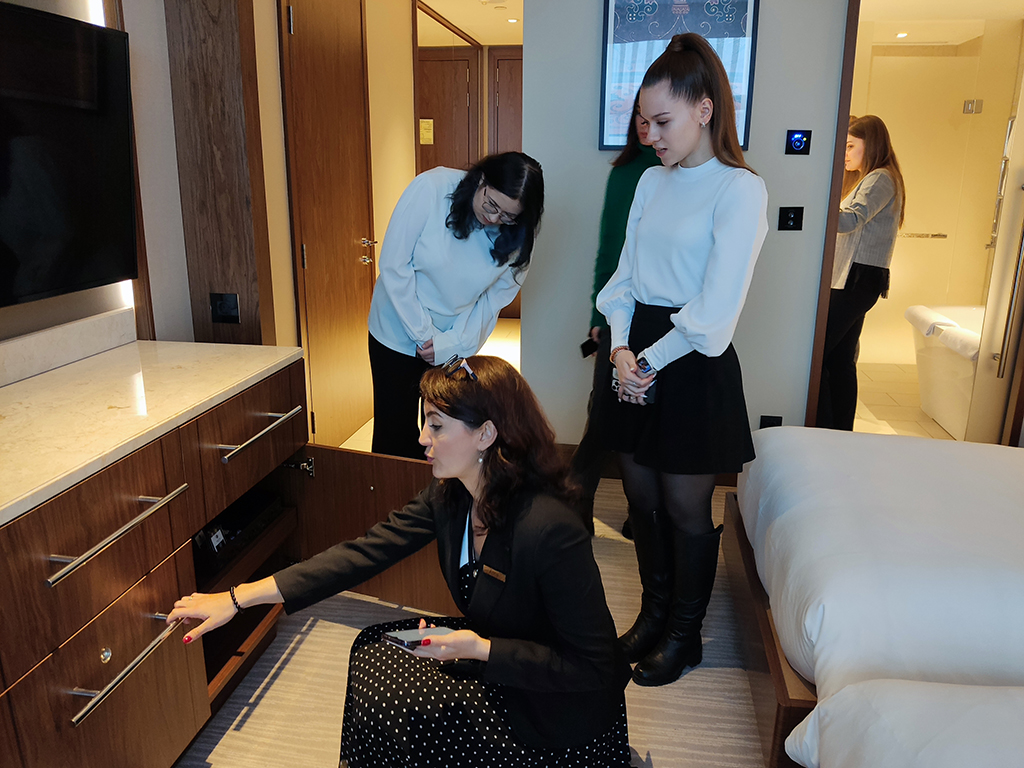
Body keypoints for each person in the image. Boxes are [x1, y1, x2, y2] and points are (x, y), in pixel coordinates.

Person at [167, 356, 632, 767]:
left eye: (436, 425)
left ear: (486, 434)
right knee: (372, 648)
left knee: (392, 704)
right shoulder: (451, 495)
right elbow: (362, 553)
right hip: (499, 653)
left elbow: (593, 667)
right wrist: (237, 598)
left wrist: (480, 650)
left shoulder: (549, 529)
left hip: (554, 709)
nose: (422, 437)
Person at [596, 33, 768, 687]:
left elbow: (716, 314)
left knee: (684, 506)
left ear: (704, 109)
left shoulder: (740, 189)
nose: (651, 135)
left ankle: (684, 635)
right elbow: (622, 280)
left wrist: (645, 360)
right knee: (639, 495)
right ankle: (654, 614)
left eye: (662, 121)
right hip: (636, 349)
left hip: (691, 359)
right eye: (644, 122)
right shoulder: (649, 181)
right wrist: (620, 349)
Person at [368, 153, 545, 460]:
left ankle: (435, 491)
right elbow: (395, 265)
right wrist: (424, 335)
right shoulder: (432, 188)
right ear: (482, 179)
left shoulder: (518, 236)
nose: (494, 219)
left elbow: (492, 302)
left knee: (445, 434)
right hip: (395, 329)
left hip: (450, 341)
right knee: (394, 433)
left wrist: (451, 344)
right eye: (491, 205)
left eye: (508, 216)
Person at [570, 91, 659, 537]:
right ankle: (576, 500)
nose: (645, 126)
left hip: (666, 316)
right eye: (639, 117)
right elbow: (609, 251)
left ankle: (640, 512)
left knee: (648, 415)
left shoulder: (685, 171)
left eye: (654, 118)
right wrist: (598, 313)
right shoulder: (624, 173)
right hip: (620, 311)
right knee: (605, 411)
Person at [816, 114, 906, 430]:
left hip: (856, 280)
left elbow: (851, 220)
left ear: (873, 144)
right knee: (840, 359)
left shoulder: (880, 178)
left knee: (821, 356)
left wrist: (816, 205)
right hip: (858, 280)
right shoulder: (875, 178)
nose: (845, 153)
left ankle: (824, 427)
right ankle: (838, 430)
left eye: (850, 145)